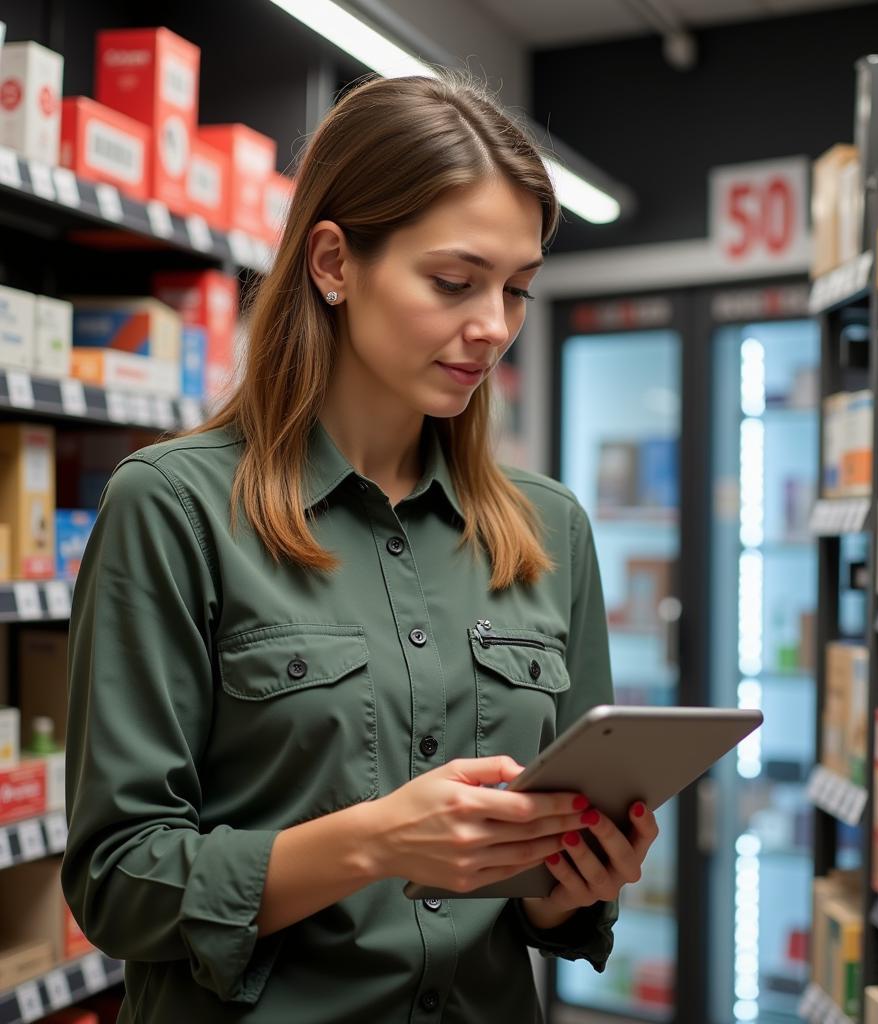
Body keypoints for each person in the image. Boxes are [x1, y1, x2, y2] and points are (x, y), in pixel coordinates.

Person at [60, 73, 660, 1023]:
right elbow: (117, 881)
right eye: (454, 283)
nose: (493, 327)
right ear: (334, 262)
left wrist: (578, 873)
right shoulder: (174, 508)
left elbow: (548, 909)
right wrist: (376, 841)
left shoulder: (549, 532)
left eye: (517, 291)